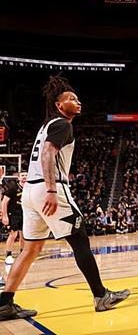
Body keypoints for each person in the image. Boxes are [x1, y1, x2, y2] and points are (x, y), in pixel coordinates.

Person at [0, 76, 129, 321]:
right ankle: (101, 295)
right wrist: (51, 190)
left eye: (77, 98)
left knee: (30, 249)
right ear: (59, 105)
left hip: (30, 193)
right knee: (80, 239)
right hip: (49, 190)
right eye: (71, 99)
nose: (78, 102)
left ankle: (4, 303)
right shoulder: (62, 124)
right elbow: (48, 154)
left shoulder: (46, 126)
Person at [1, 171, 27, 266]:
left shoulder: (29, 188)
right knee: (13, 235)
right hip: (13, 215)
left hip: (25, 215)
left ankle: (22, 254)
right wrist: (4, 215)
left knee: (23, 235)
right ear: (18, 178)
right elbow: (4, 202)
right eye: (22, 175)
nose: (24, 177)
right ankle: (8, 255)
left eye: (26, 175)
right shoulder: (13, 188)